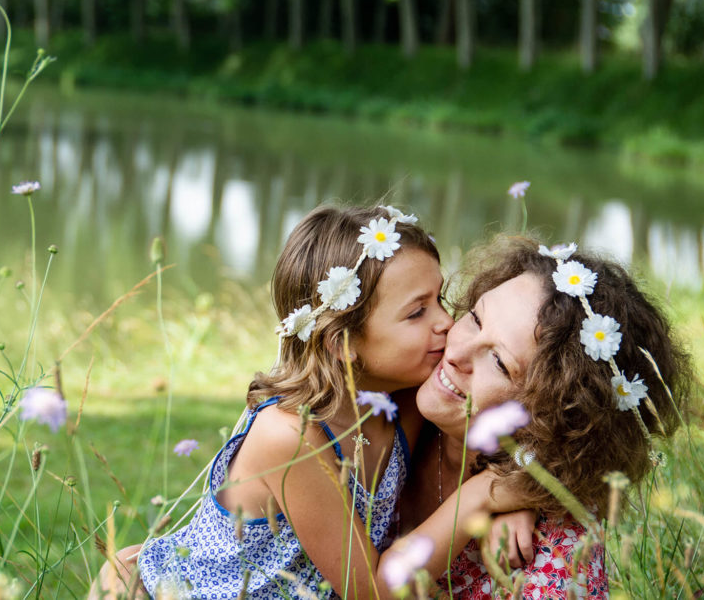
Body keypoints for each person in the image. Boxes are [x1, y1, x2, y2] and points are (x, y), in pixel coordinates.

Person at [91, 204, 527, 599]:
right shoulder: (291, 435)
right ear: (343, 343)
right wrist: (483, 498)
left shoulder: (407, 401)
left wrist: (516, 503)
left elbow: (508, 423)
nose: (446, 322)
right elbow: (370, 592)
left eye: (441, 299)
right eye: (417, 312)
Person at [401, 235, 692, 598]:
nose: (456, 350)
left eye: (498, 362)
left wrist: (490, 495)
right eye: (475, 318)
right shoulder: (392, 387)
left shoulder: (554, 559)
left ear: (552, 417)